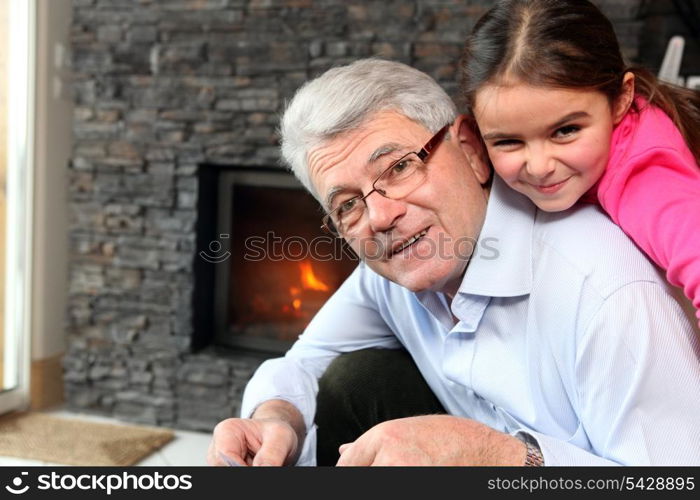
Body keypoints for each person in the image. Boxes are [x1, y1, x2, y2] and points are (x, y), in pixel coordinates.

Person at [207, 58, 700, 466]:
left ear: (470, 150)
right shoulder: (396, 270)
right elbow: (306, 361)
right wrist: (274, 418)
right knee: (354, 380)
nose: (379, 216)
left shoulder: (604, 290)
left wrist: (501, 459)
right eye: (348, 205)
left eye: (400, 167)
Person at [459, 0, 700, 328]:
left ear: (621, 99)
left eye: (566, 131)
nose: (540, 166)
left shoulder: (647, 176)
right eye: (508, 142)